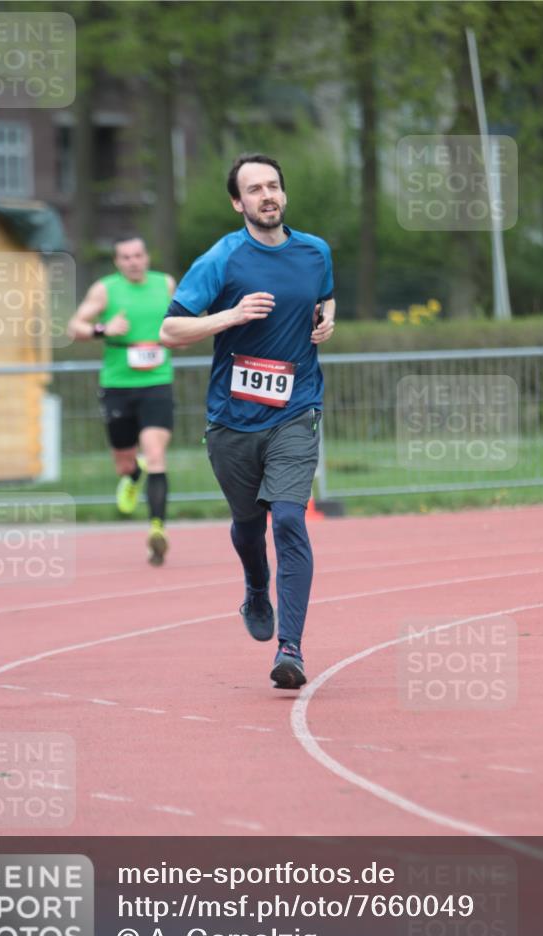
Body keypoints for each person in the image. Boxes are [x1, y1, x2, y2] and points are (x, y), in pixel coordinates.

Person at [159, 153, 335, 688]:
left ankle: (292, 649)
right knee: (248, 524)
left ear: (284, 194)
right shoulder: (222, 259)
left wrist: (329, 319)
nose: (267, 196)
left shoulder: (315, 251)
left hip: (296, 410)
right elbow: (170, 331)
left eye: (274, 186)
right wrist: (232, 316)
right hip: (233, 421)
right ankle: (256, 587)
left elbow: (323, 297)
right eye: (254, 189)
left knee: (287, 518)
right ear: (238, 203)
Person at [67, 237, 176, 566]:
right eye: (125, 257)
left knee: (155, 453)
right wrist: (105, 328)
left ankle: (157, 529)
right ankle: (131, 476)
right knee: (125, 461)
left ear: (147, 256)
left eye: (138, 255)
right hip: (117, 384)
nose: (133, 262)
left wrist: (180, 336)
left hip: (158, 381)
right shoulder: (105, 289)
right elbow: (74, 326)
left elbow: (183, 319)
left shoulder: (165, 284)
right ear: (117, 262)